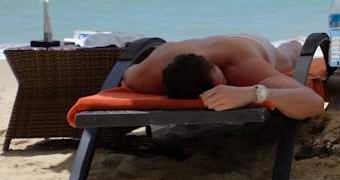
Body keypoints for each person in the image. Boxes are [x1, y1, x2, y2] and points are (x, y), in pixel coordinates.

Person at [122, 34, 324, 119]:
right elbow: (127, 74)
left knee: (287, 57)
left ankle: (294, 43)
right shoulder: (145, 78)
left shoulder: (240, 66)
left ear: (215, 66)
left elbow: (314, 103)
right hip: (182, 47)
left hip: (247, 43)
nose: (225, 83)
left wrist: (255, 93)